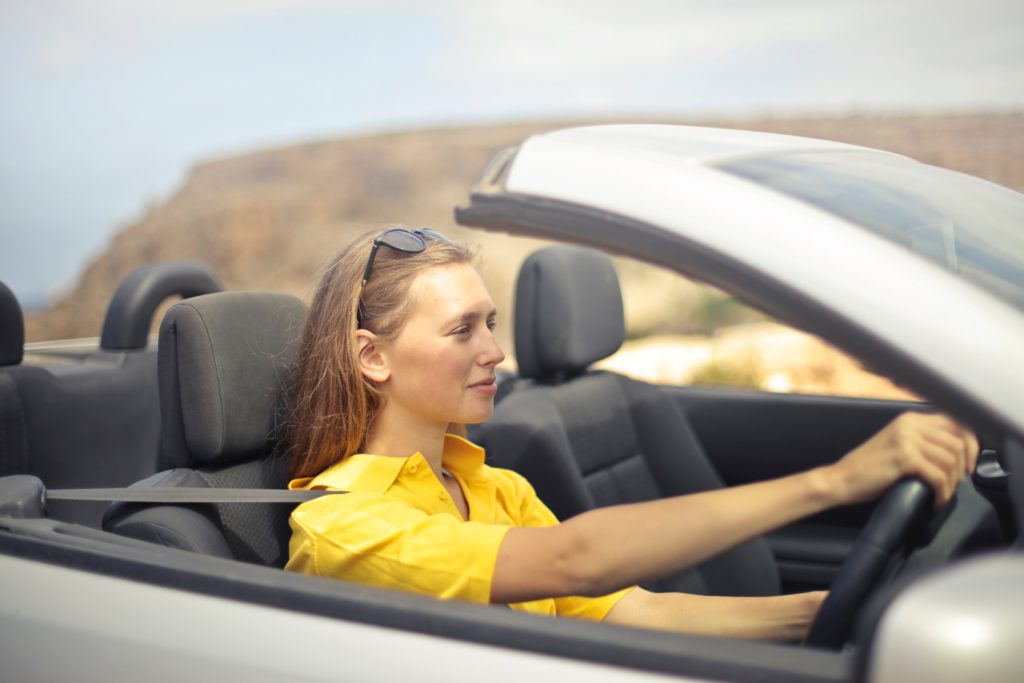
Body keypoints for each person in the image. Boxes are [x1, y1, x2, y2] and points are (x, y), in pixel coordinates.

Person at [284, 227, 978, 640]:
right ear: (372, 355)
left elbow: (635, 611)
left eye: (490, 323)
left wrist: (838, 612)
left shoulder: (493, 486)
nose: (494, 351)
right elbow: (573, 560)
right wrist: (833, 482)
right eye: (462, 329)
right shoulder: (345, 525)